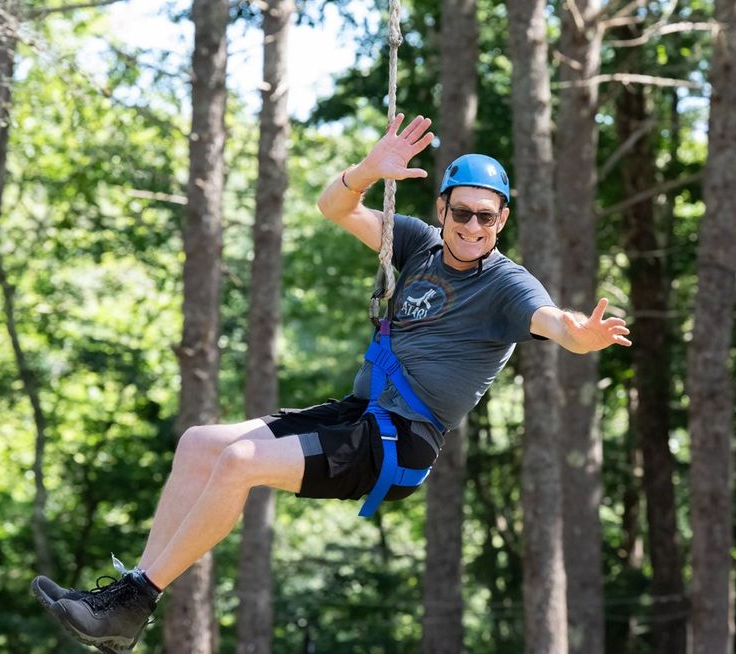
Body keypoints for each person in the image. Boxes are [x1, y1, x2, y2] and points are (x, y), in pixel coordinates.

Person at [32, 113, 632, 653]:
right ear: (443, 209)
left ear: (502, 219)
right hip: (360, 414)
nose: (472, 226)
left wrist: (582, 334)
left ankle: (135, 603)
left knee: (239, 462)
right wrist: (367, 171)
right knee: (198, 443)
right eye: (461, 212)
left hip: (400, 442)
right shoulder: (418, 244)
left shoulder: (507, 285)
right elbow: (335, 208)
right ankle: (125, 601)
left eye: (486, 215)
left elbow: (554, 323)